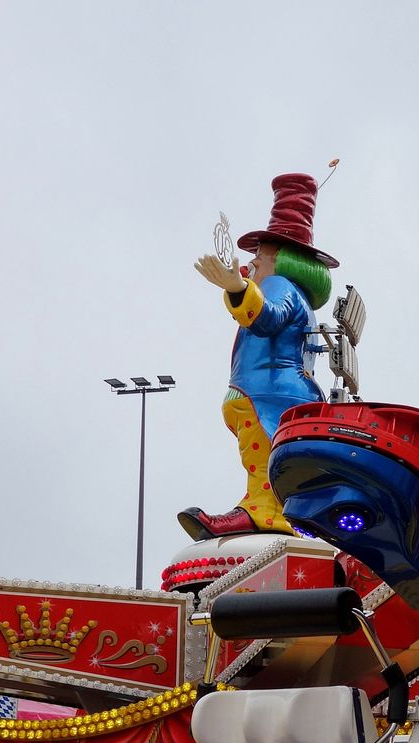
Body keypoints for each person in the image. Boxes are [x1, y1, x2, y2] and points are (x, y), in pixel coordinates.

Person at [177, 172, 337, 541]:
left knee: (263, 458)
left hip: (269, 394)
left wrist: (238, 288)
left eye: (259, 256)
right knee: (266, 460)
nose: (252, 263)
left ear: (279, 260)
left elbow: (267, 318)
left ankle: (262, 511)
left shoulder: (280, 286)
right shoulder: (295, 294)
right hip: (274, 392)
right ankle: (272, 509)